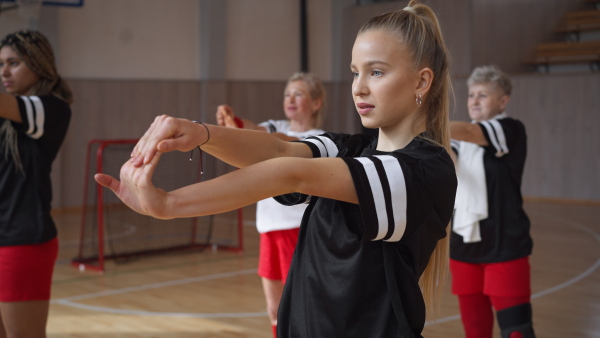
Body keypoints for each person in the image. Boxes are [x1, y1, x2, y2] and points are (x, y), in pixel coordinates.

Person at [95, 1, 457, 336]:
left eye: (376, 72)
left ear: (422, 81)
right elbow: (277, 148)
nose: (359, 87)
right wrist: (200, 132)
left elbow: (287, 172)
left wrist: (169, 204)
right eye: (354, 72)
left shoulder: (425, 170)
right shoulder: (353, 148)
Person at [216, 72, 326, 338]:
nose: (291, 99)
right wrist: (236, 124)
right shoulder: (275, 126)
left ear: (316, 103)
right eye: (287, 94)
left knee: (301, 306)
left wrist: (249, 135)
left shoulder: (321, 137)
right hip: (269, 230)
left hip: (298, 230)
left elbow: (279, 143)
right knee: (274, 307)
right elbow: (255, 131)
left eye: (298, 94)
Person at [449, 65, 535, 338]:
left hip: (505, 246)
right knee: (475, 331)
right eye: (471, 94)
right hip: (465, 247)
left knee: (517, 332)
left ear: (503, 101)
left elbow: (472, 133)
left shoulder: (510, 129)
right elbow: (448, 162)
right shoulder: (460, 141)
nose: (474, 101)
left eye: (483, 95)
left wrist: (426, 119)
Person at [0, 30, 73, 338]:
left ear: (39, 65)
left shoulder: (52, 109)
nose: (4, 71)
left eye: (13, 63)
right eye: (1, 63)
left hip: (24, 244)